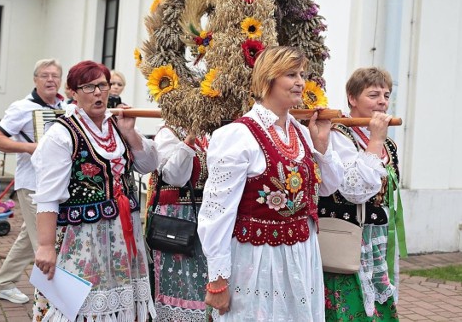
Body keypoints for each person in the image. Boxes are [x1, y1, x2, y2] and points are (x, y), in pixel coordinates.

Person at [198, 46, 344, 321]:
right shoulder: (237, 136)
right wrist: (217, 278)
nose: (301, 81)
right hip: (256, 260)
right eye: (291, 74)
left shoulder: (301, 133)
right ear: (268, 79)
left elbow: (327, 188)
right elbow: (217, 212)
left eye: (302, 74)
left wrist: (322, 146)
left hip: (301, 256)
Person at [32, 60, 158, 321]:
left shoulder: (118, 126)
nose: (99, 92)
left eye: (103, 85)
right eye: (88, 87)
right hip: (82, 235)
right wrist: (45, 245)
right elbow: (47, 195)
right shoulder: (62, 134)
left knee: (121, 304)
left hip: (123, 233)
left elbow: (149, 165)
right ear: (73, 93)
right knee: (78, 304)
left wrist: (131, 133)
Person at [318, 67, 405, 321]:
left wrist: (378, 140)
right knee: (350, 302)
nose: (382, 101)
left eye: (386, 95)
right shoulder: (339, 136)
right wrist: (375, 140)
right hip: (347, 235)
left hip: (377, 235)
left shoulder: (389, 143)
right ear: (352, 98)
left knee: (379, 299)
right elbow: (354, 190)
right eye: (373, 94)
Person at [0, 59, 64, 304]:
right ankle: (56, 300)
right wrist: (31, 147)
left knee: (28, 236)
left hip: (55, 182)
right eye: (45, 75)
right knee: (44, 241)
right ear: (35, 80)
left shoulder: (65, 106)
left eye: (55, 75)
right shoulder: (21, 107)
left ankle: (3, 283)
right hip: (32, 182)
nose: (51, 79)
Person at [148, 126, 211, 320]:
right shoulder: (167, 133)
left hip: (206, 217)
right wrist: (189, 141)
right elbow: (174, 177)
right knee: (179, 280)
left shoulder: (210, 134)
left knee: (205, 279)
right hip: (177, 219)